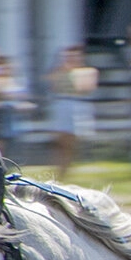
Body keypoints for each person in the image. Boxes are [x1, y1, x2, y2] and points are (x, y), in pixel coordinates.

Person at [47, 44, 99, 178]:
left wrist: (73, 73)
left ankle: (66, 170)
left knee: (71, 142)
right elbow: (53, 86)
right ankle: (60, 170)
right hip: (62, 103)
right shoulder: (59, 71)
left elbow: (83, 88)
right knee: (60, 141)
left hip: (77, 105)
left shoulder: (87, 71)